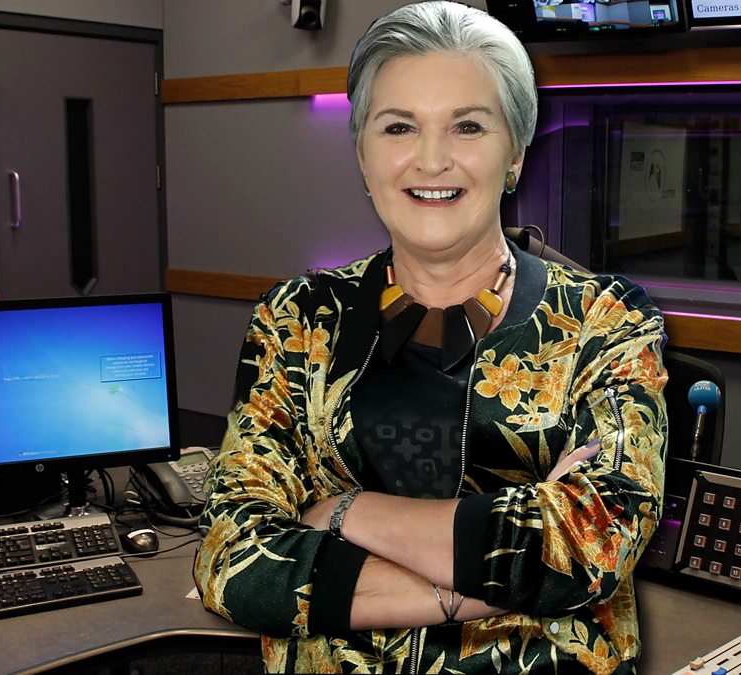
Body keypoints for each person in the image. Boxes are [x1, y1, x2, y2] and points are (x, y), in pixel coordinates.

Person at [193, 2, 669, 672]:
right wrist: (512, 573)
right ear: (363, 156)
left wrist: (344, 511)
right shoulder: (296, 318)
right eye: (399, 127)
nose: (432, 158)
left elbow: (595, 545)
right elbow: (232, 558)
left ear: (515, 154)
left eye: (467, 126)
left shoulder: (606, 320)